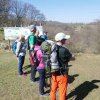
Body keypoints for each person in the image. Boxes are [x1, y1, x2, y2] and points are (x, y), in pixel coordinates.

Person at [50, 32, 75, 100]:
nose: (65, 40)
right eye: (65, 39)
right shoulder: (64, 50)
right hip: (62, 74)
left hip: (53, 73)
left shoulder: (52, 48)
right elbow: (73, 58)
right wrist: (72, 56)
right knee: (62, 92)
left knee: (53, 90)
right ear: (61, 40)